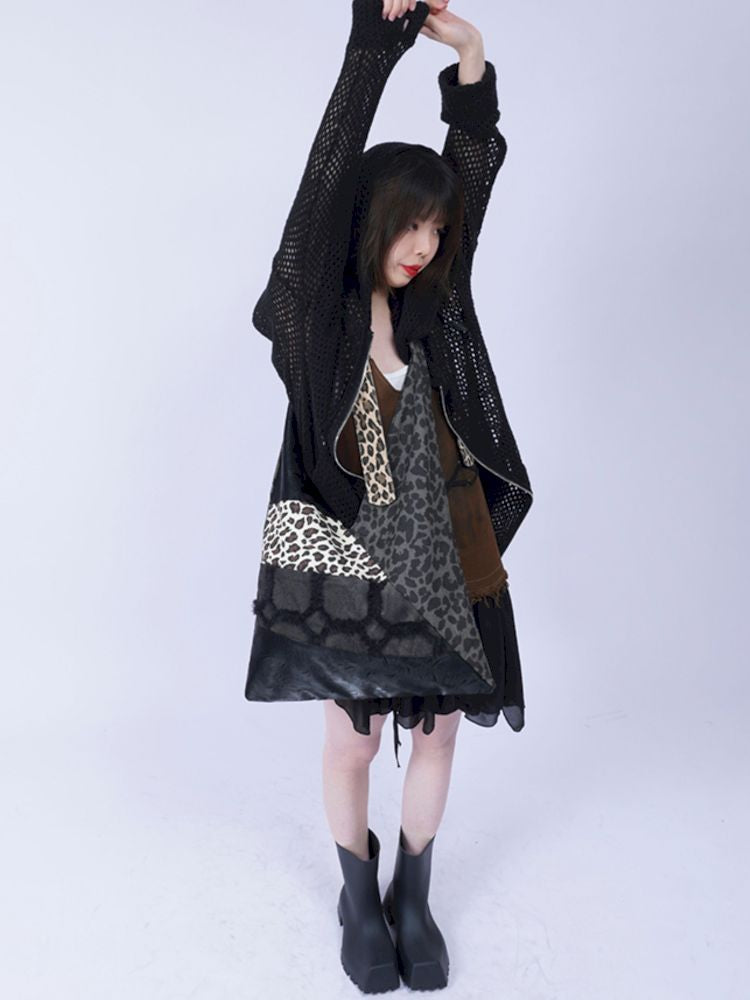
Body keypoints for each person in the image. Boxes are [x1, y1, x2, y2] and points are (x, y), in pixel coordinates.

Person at [245, 0, 533, 991]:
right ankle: (357, 895)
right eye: (408, 222)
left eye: (436, 227)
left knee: (442, 730)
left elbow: (472, 169)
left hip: (454, 545)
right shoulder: (312, 318)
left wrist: (471, 61)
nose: (423, 242)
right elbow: (325, 178)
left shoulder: (436, 307)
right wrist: (375, 46)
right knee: (354, 739)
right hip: (355, 557)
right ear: (369, 220)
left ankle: (414, 894)